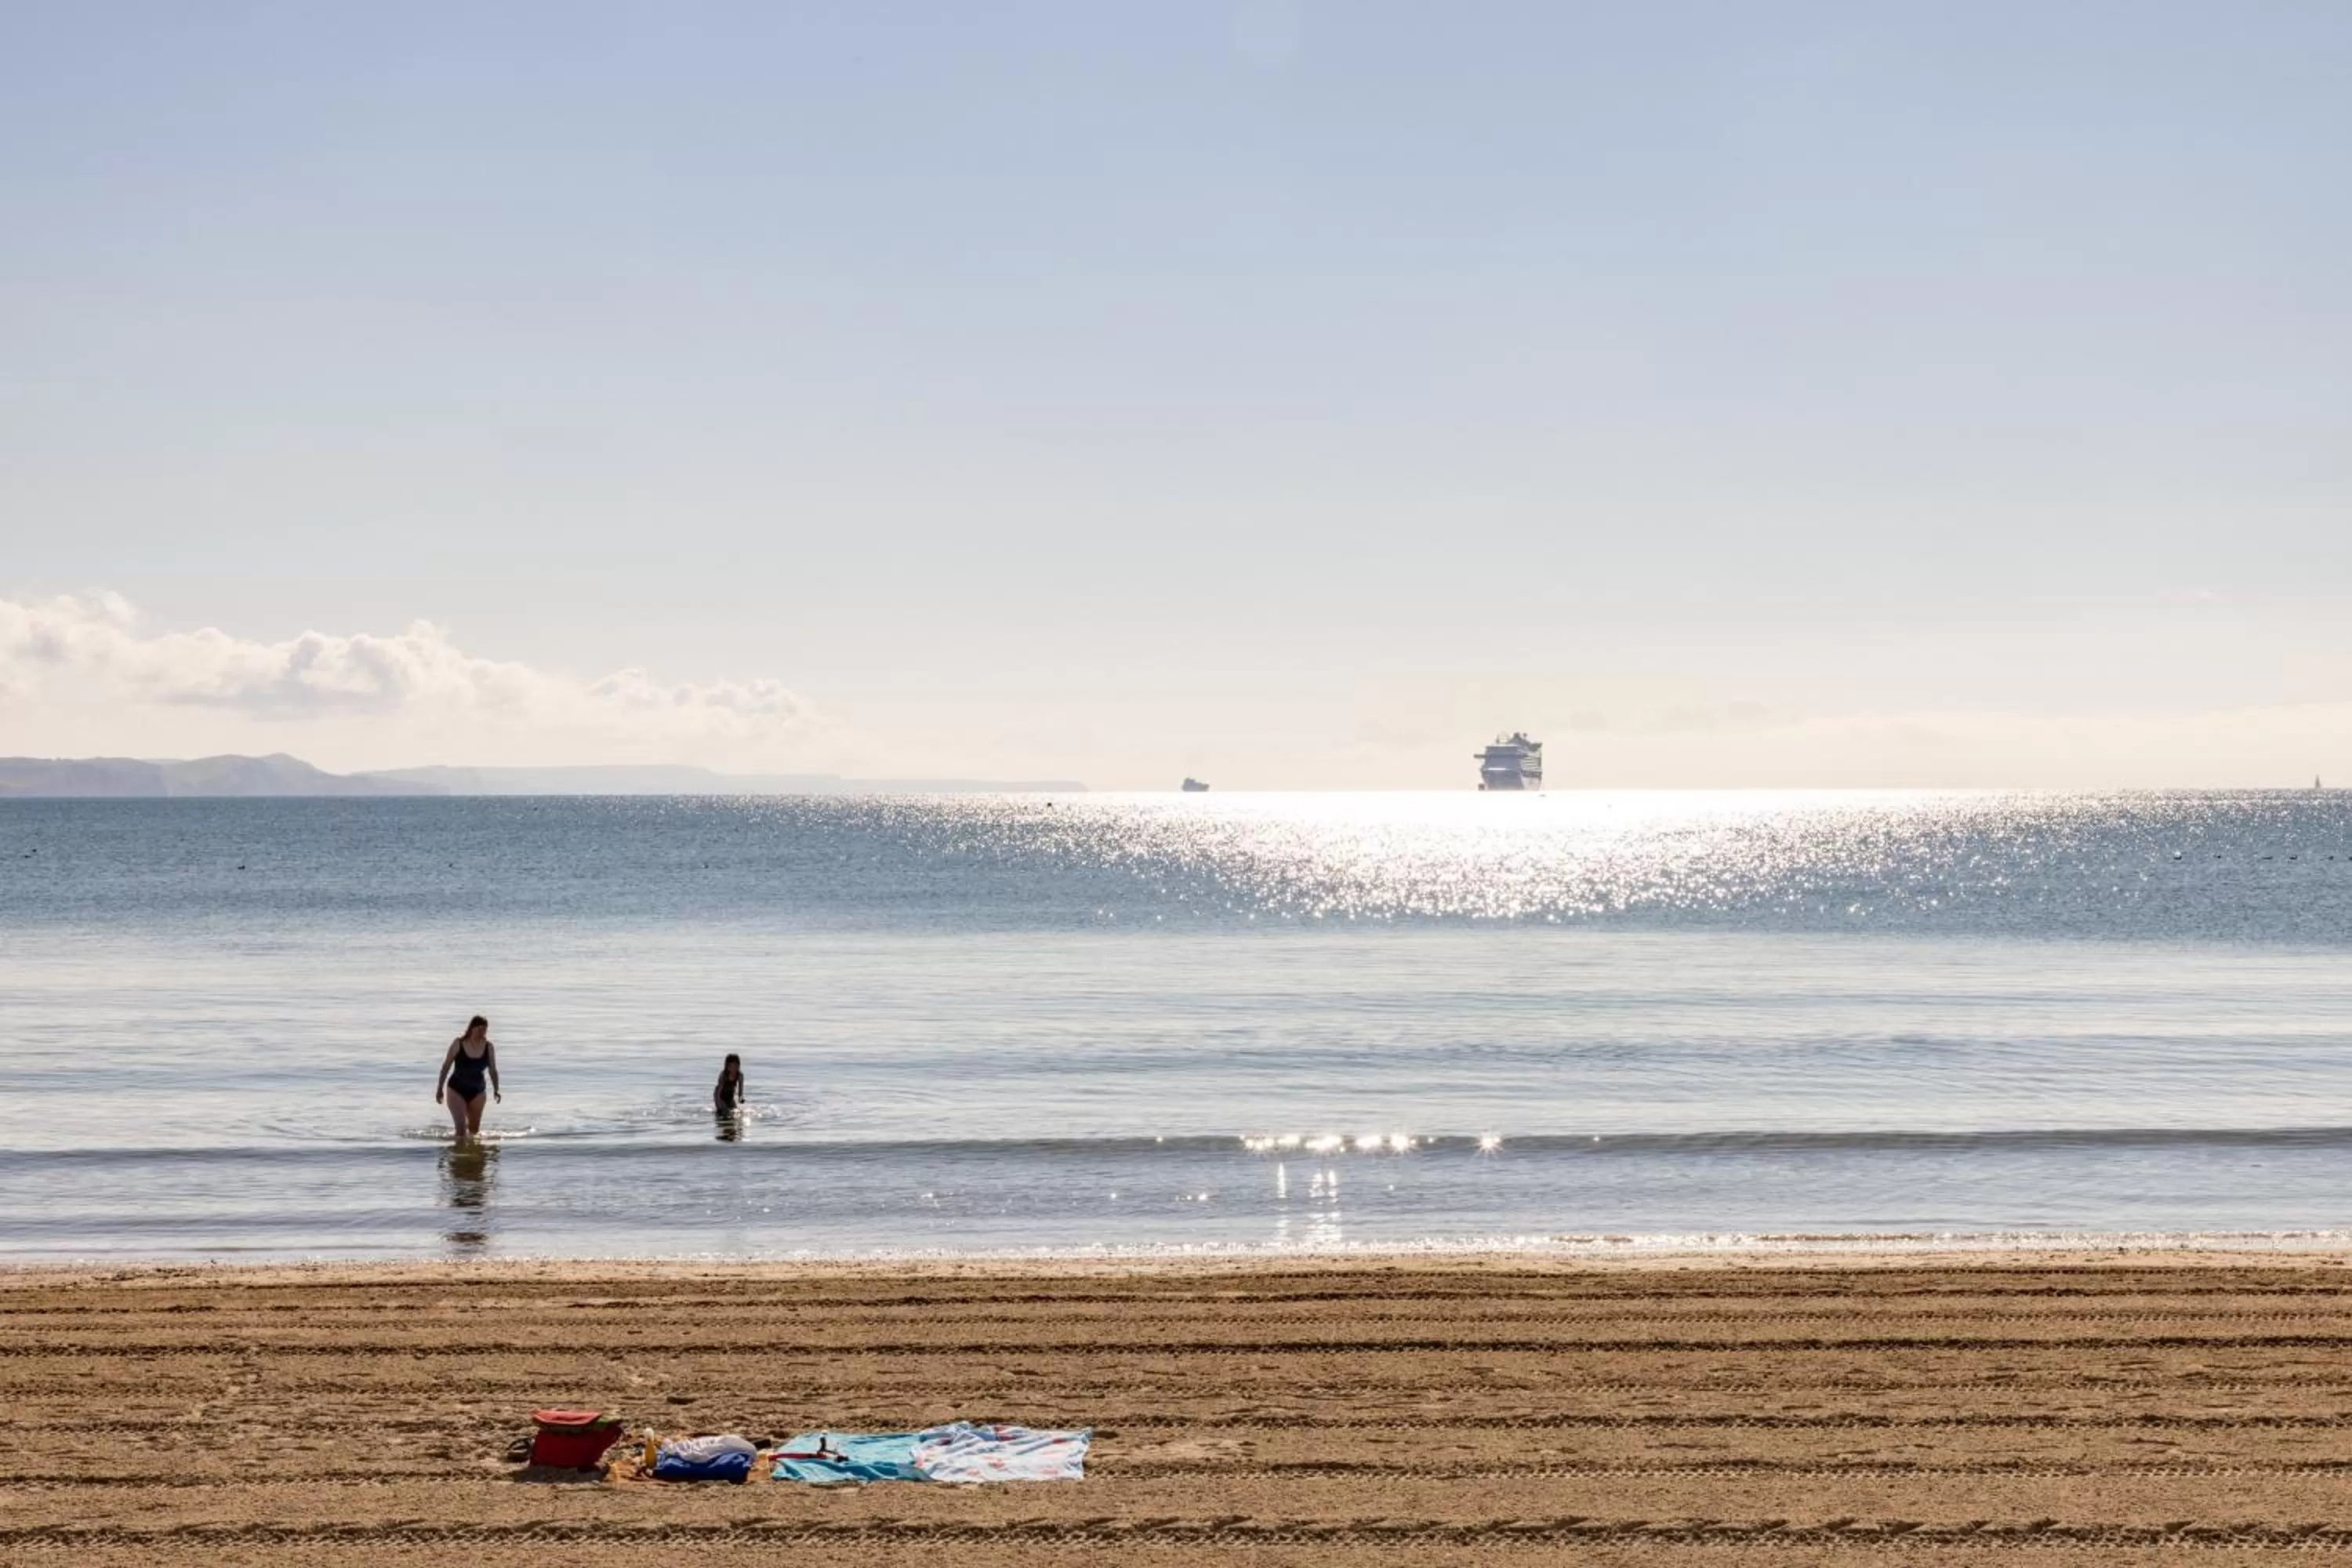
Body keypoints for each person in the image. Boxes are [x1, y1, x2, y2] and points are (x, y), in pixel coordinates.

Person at [435, 1015, 501, 1142]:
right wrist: (439, 1089)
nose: (482, 1033)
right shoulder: (458, 1043)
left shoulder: (489, 1047)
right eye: (479, 1029)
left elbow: (493, 1070)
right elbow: (446, 1066)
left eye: (485, 1030)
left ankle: (472, 1158)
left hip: (478, 1091)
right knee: (460, 1131)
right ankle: (458, 1157)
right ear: (471, 1029)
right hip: (456, 1089)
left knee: (474, 1132)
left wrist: (496, 1089)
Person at [714, 1053, 746, 1117]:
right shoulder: (723, 1075)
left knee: (738, 1113)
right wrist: (719, 1105)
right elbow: (718, 1092)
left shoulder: (740, 1076)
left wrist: (741, 1099)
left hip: (730, 1097)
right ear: (727, 1067)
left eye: (736, 1066)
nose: (734, 1069)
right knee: (724, 1113)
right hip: (720, 1096)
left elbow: (740, 1092)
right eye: (732, 1066)